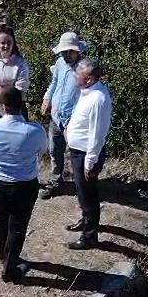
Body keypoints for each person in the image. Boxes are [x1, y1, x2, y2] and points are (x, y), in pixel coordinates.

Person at [0, 86, 48, 283]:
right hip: (24, 184)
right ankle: (10, 268)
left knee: (0, 218)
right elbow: (42, 152)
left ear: (2, 106)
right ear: (21, 105)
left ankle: (4, 256)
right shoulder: (34, 131)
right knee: (18, 226)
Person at [63, 57, 112, 250]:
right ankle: (85, 221)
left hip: (87, 155)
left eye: (78, 74)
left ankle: (89, 237)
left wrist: (90, 162)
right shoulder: (88, 93)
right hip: (79, 152)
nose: (75, 76)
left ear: (89, 78)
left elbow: (97, 134)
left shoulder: (98, 99)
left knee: (89, 195)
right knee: (82, 193)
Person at [39, 31, 86, 199]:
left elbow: (86, 97)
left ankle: (82, 187)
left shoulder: (84, 69)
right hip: (56, 117)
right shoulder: (59, 63)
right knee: (54, 150)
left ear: (77, 51)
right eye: (64, 51)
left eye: (69, 51)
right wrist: (47, 98)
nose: (66, 55)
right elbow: (55, 83)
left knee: (76, 155)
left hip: (73, 122)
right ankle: (56, 181)